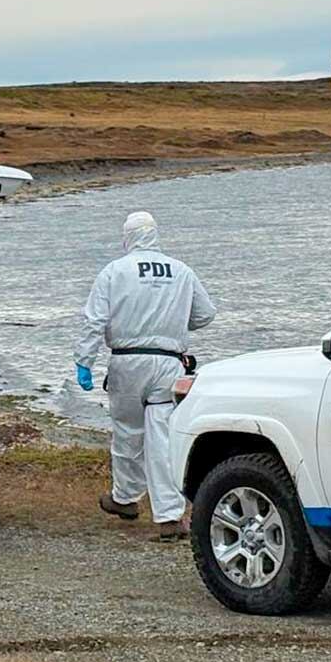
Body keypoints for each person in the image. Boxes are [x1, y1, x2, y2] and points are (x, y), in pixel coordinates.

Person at [75, 211, 216, 541]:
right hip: (169, 363)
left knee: (127, 433)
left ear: (127, 237)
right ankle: (169, 516)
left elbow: (94, 320)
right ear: (156, 235)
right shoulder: (181, 271)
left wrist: (84, 361)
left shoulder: (114, 271)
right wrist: (176, 322)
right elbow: (205, 315)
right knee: (163, 438)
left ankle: (125, 498)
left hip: (127, 361)